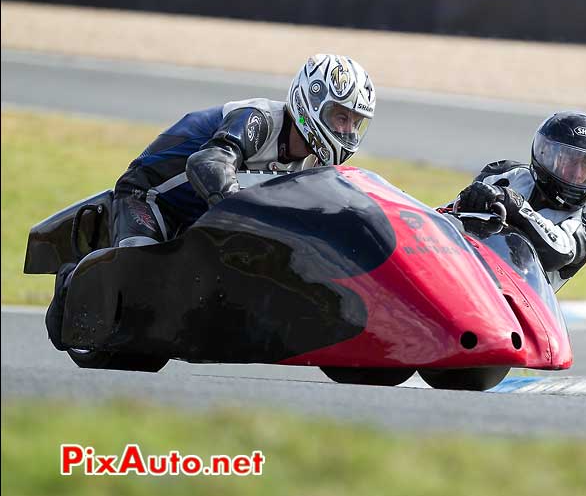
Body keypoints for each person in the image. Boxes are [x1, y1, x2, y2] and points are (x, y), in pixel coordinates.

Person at [45, 53, 376, 349]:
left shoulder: (315, 161)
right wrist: (248, 220)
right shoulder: (258, 120)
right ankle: (74, 283)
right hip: (151, 197)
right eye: (339, 117)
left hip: (206, 211)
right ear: (312, 103)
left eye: (353, 122)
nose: (346, 130)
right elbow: (208, 166)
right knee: (139, 292)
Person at [454, 111, 586, 291]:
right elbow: (447, 216)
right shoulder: (503, 174)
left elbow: (558, 253)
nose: (577, 174)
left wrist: (516, 206)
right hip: (467, 274)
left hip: (514, 302)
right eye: (571, 161)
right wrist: (469, 199)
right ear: (547, 155)